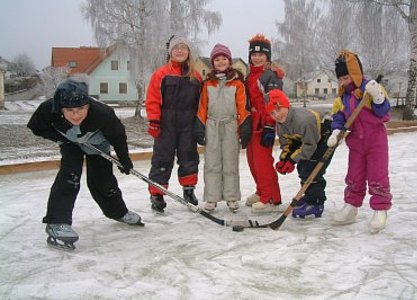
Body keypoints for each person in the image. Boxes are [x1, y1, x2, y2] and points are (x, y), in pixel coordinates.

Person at [27, 79, 142, 250]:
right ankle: (57, 222)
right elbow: (36, 127)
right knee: (70, 176)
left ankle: (118, 212)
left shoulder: (103, 113)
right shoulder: (48, 109)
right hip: (69, 141)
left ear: (88, 105)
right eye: (69, 110)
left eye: (81, 109)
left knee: (103, 180)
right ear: (60, 108)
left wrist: (125, 160)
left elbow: (118, 136)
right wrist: (61, 136)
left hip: (97, 143)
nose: (76, 115)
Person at [328, 50, 392, 232]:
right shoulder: (343, 97)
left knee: (377, 176)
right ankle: (351, 207)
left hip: (376, 141)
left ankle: (380, 209)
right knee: (354, 176)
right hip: (356, 143)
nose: (343, 82)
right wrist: (336, 132)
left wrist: (378, 96)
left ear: (355, 74)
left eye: (346, 77)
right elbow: (339, 117)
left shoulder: (370, 88)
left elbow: (384, 112)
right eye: (340, 79)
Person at [145, 34, 203, 213]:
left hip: (188, 123)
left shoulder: (195, 75)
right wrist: (154, 121)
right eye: (176, 48)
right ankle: (157, 194)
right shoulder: (161, 74)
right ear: (170, 52)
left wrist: (201, 122)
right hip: (166, 124)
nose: (180, 51)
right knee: (162, 158)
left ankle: (189, 190)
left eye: (183, 48)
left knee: (189, 157)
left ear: (188, 52)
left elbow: (202, 101)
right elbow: (153, 99)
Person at [193, 43, 251, 213]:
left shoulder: (238, 84)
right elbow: (202, 107)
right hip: (212, 125)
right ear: (213, 62)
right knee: (212, 164)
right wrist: (200, 127)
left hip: (230, 125)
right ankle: (211, 198)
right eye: (217, 59)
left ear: (229, 61)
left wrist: (244, 127)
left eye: (224, 58)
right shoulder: (208, 83)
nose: (220, 62)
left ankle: (232, 197)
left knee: (230, 163)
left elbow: (242, 107)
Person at [266, 89, 334, 218]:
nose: (277, 115)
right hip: (309, 139)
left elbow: (310, 145)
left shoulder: (303, 120)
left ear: (286, 105)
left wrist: (292, 161)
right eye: (272, 113)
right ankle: (310, 195)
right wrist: (284, 159)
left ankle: (316, 203)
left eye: (278, 110)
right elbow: (288, 144)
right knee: (303, 166)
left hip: (325, 135)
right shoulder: (281, 125)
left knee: (311, 168)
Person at [245, 34, 284, 213]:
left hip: (263, 125)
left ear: (267, 56)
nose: (257, 57)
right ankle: (261, 190)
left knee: (262, 162)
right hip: (251, 124)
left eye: (261, 55)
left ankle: (270, 197)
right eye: (254, 54)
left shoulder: (270, 76)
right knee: (252, 160)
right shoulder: (251, 75)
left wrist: (270, 125)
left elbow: (274, 103)